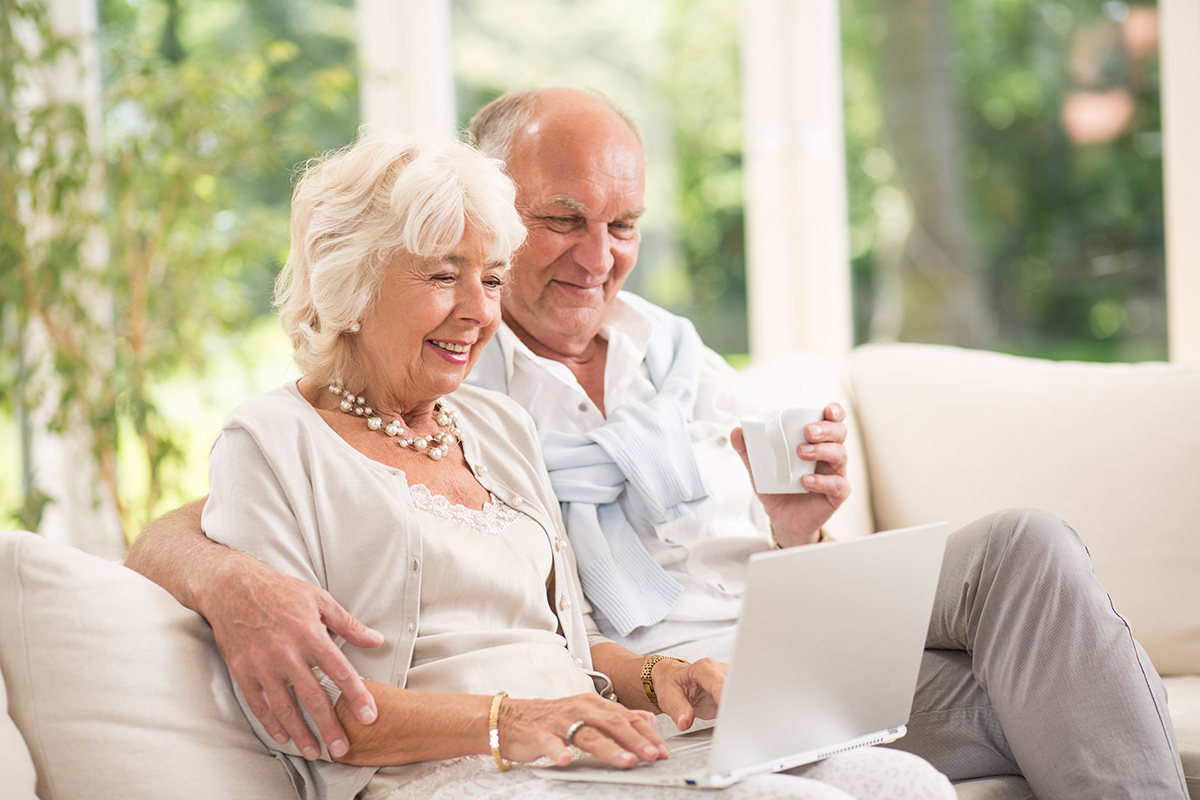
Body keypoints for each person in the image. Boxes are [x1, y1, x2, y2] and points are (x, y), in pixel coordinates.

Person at [125, 89, 1188, 800]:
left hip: (720, 663)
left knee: (1021, 577)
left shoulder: (626, 370)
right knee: (1011, 718)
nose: (597, 258)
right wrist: (223, 577)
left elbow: (581, 629)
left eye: (624, 225)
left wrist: (782, 553)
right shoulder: (372, 406)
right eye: (559, 221)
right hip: (564, 726)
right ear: (357, 279)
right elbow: (225, 523)